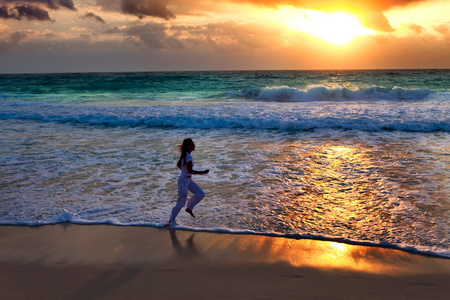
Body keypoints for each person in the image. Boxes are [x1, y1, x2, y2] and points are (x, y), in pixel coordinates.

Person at [168, 138, 209, 226]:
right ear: (188, 146)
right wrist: (202, 172)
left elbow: (179, 164)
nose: (194, 146)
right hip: (184, 181)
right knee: (181, 202)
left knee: (200, 194)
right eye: (192, 144)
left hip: (188, 180)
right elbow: (190, 170)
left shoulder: (185, 155)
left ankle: (189, 208)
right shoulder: (187, 156)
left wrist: (184, 171)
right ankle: (171, 220)